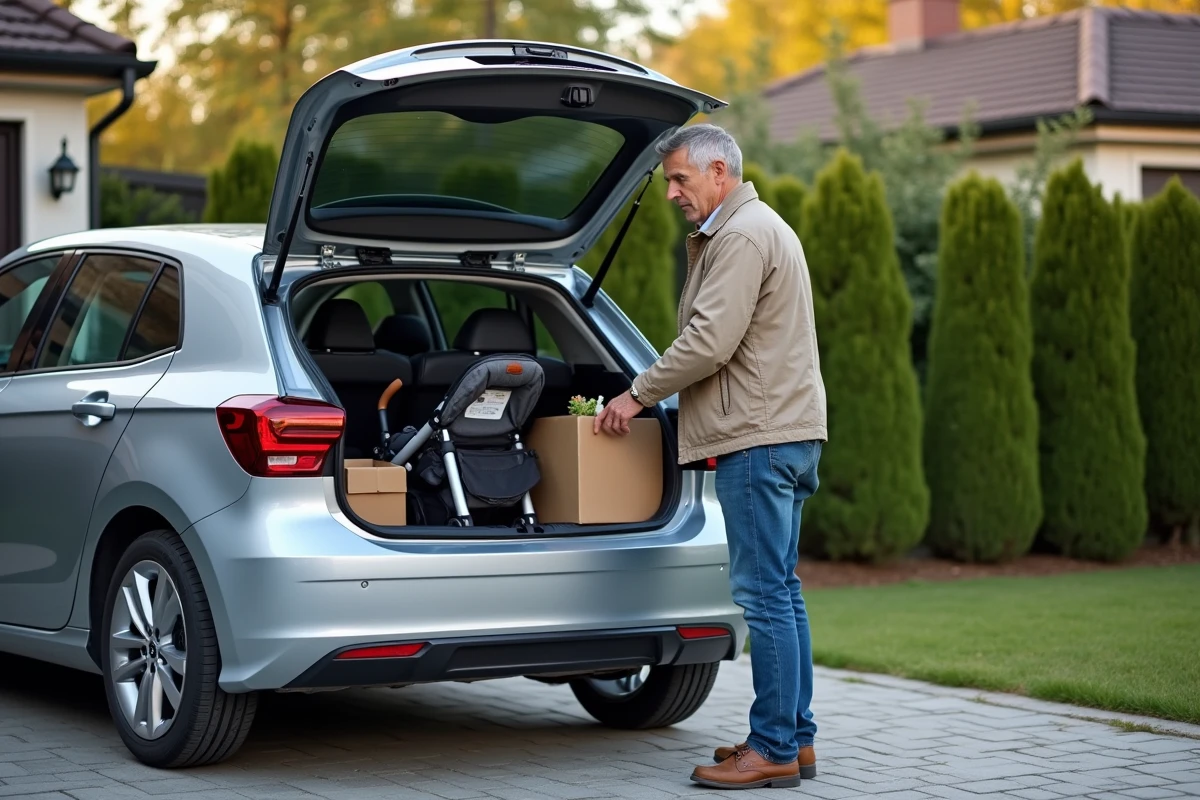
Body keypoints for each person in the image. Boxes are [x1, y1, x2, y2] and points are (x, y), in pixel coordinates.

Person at [594, 124, 827, 791]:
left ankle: (773, 747)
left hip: (757, 436)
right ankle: (794, 740)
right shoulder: (758, 228)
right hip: (785, 432)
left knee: (763, 594)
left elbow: (708, 342)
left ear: (719, 170)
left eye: (680, 178)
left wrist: (636, 394)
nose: (671, 192)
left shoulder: (741, 236)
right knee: (782, 591)